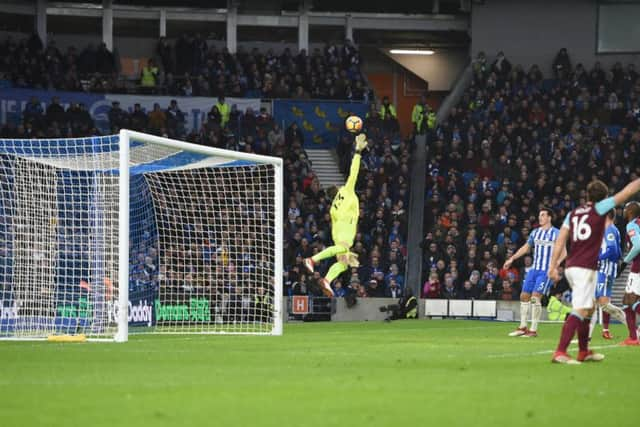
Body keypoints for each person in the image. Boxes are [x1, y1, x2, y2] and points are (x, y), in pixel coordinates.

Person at [548, 178, 640, 364]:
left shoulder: (573, 213)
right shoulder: (600, 208)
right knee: (581, 309)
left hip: (572, 266)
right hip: (585, 268)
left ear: (587, 195)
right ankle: (560, 351)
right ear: (604, 197)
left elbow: (561, 239)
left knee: (589, 309)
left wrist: (553, 265)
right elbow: (627, 192)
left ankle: (584, 352)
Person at [303, 133, 368, 296]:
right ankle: (312, 259)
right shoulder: (346, 190)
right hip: (345, 227)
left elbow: (333, 222)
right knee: (342, 249)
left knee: (344, 263)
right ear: (338, 189)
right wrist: (358, 151)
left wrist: (344, 251)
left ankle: (326, 280)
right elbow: (354, 171)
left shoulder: (333, 206)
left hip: (338, 229)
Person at [503, 208, 563, 337]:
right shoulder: (535, 232)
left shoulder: (557, 233)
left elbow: (564, 253)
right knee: (524, 296)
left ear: (549, 217)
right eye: (539, 215)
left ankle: (533, 329)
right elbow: (526, 247)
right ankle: (523, 326)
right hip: (534, 269)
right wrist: (512, 258)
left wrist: (555, 266)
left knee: (535, 298)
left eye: (542, 215)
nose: (540, 217)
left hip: (545, 271)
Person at [588, 211, 626, 340]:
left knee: (603, 304)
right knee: (593, 301)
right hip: (608, 270)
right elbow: (619, 252)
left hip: (605, 270)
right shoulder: (614, 229)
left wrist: (597, 258)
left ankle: (633, 328)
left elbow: (612, 249)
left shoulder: (609, 229)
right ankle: (586, 336)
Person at [619, 201, 640, 345]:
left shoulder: (632, 225)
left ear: (630, 211)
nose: (623, 211)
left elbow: (638, 245)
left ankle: (633, 337)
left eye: (625, 209)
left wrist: (625, 262)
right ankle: (633, 337)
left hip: (638, 268)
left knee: (630, 301)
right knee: (628, 302)